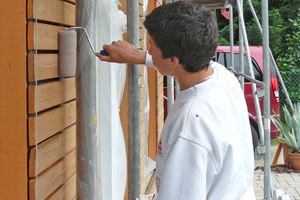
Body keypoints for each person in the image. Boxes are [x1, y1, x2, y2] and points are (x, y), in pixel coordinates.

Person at [97, 1, 255, 199]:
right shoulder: (222, 76)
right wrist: (138, 56)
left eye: (151, 46)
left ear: (173, 61)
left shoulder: (190, 130)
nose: (149, 51)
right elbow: (177, 62)